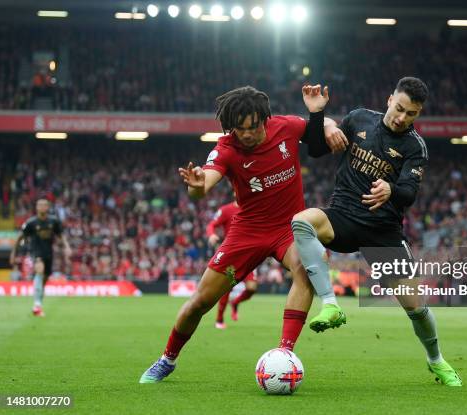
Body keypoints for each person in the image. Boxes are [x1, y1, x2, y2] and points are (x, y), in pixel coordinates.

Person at [139, 84, 343, 383]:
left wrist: (326, 123)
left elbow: (317, 126)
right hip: (248, 232)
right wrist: (196, 187)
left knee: (305, 269)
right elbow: (205, 183)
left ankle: (284, 355)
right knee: (200, 302)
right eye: (239, 128)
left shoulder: (284, 127)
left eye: (253, 127)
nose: (246, 134)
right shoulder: (226, 148)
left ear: (265, 119)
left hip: (288, 229)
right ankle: (167, 359)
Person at [291, 77, 462, 386]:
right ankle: (330, 305)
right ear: (389, 99)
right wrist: (321, 119)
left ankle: (436, 360)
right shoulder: (358, 119)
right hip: (341, 216)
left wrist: (391, 189)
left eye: (411, 114)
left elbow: (409, 193)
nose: (402, 118)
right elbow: (316, 150)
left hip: (382, 232)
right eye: (399, 109)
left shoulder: (415, 147)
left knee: (417, 309)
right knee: (302, 221)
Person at [9, 198, 71, 317]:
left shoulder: (53, 221)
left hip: (48, 253)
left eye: (44, 205)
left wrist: (67, 247)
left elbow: (61, 235)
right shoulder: (31, 223)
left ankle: (38, 303)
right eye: (40, 205)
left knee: (44, 280)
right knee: (40, 270)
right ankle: (37, 305)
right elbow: (19, 238)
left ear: (48, 207)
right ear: (36, 207)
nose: (42, 207)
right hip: (36, 251)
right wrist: (13, 253)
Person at [205, 200, 257, 329]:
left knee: (251, 288)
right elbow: (211, 225)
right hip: (232, 257)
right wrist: (211, 235)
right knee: (227, 287)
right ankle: (219, 319)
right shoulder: (226, 210)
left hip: (249, 256)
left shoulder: (254, 206)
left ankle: (235, 303)